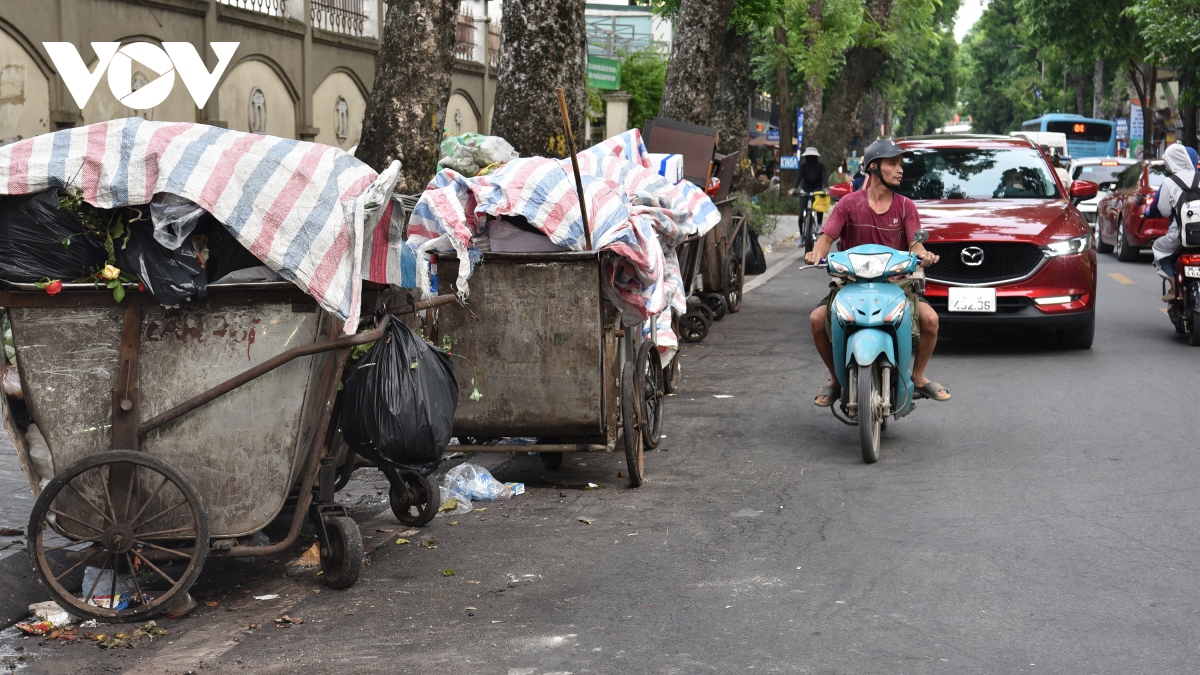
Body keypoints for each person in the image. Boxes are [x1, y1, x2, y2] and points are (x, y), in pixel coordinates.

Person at [804, 138, 950, 406]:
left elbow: (915, 244)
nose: (900, 170)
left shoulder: (906, 206)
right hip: (851, 284)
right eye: (892, 164)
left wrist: (924, 255)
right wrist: (817, 252)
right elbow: (826, 238)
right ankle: (836, 379)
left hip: (897, 285)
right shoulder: (848, 204)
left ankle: (918, 376)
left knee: (930, 321)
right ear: (873, 167)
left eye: (900, 165)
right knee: (816, 320)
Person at [1151, 143, 1200, 298]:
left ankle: (1173, 287)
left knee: (1159, 248)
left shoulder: (1169, 182)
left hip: (1178, 237)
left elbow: (1164, 210)